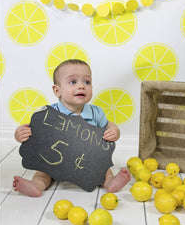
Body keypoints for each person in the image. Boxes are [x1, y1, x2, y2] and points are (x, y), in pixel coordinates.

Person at [13, 59, 131, 197]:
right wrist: (19, 134)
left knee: (103, 169)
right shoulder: (49, 114)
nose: (81, 86)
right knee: (42, 173)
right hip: (54, 160)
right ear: (57, 90)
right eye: (73, 82)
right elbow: (34, 133)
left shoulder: (95, 112)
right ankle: (36, 185)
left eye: (87, 82)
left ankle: (110, 182)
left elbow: (108, 124)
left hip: (87, 161)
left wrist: (114, 130)